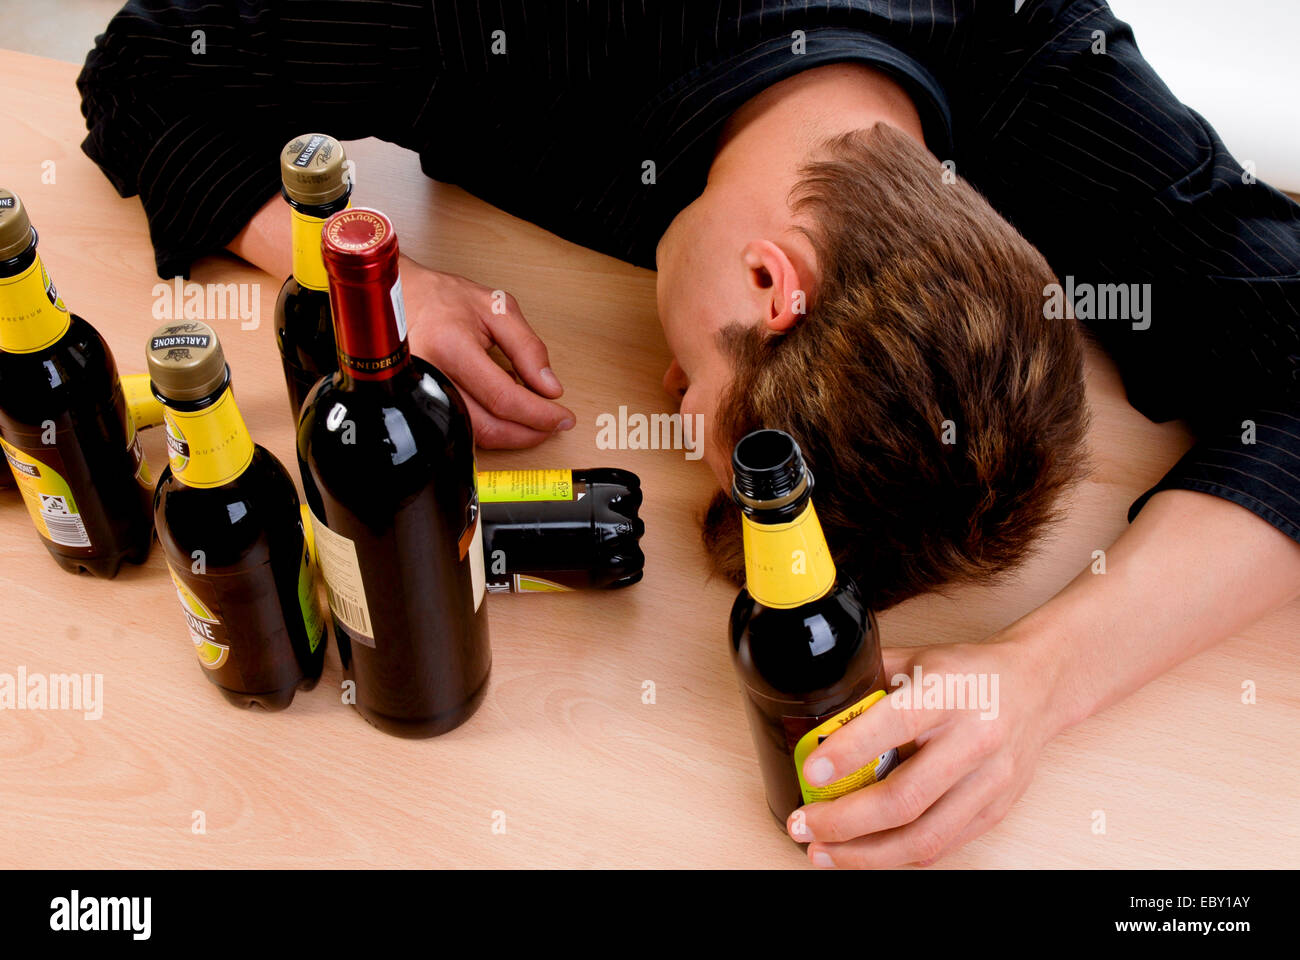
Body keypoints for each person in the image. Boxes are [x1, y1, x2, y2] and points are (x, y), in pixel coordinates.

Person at [78, 0, 1300, 868]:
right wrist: (365, 283)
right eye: (699, 412)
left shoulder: (1030, 47)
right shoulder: (493, 24)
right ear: (776, 286)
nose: (666, 401)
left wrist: (1043, 679)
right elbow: (136, 66)